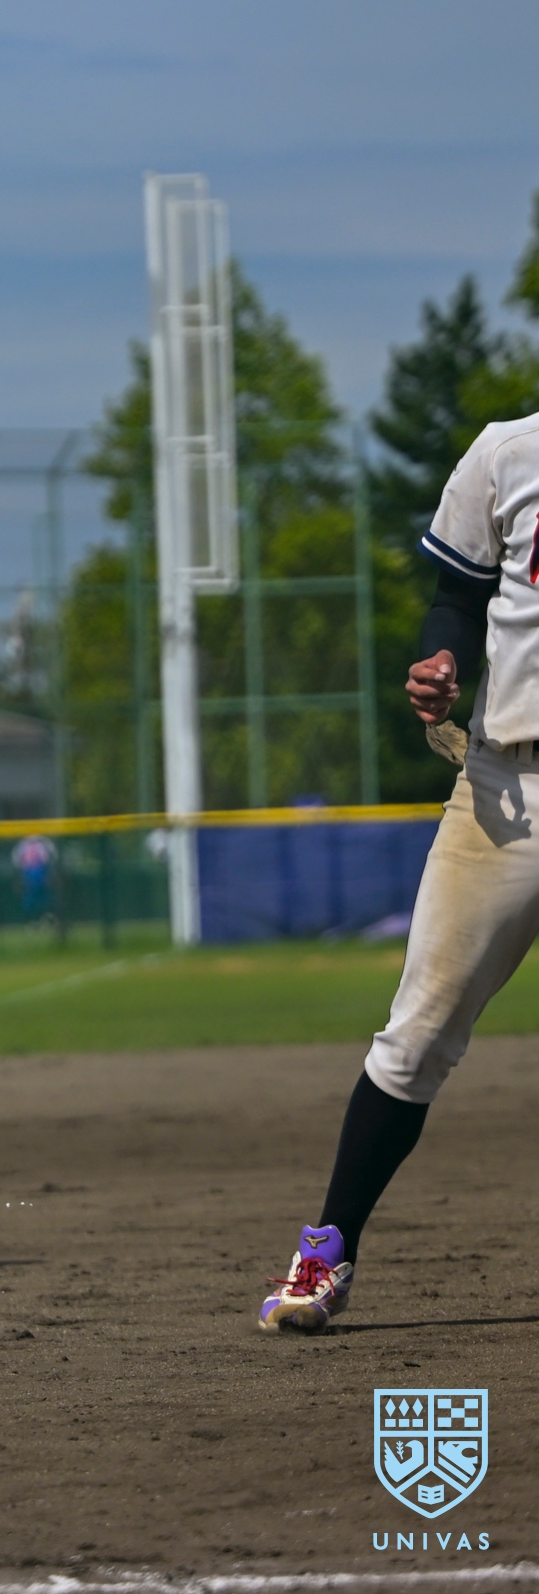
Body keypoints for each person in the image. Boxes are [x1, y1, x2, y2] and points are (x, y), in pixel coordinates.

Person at [257, 413, 539, 1331]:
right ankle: (326, 1251)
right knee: (415, 1036)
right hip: (508, 787)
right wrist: (442, 658)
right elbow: (455, 595)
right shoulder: (508, 451)